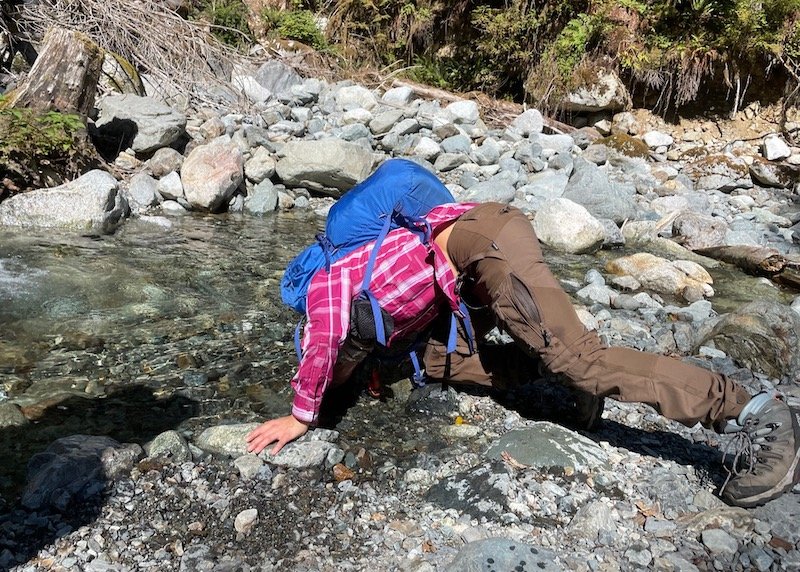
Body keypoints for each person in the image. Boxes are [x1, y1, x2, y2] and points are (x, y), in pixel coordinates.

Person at [246, 200, 800, 508]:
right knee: (435, 365)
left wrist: (301, 416)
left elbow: (323, 345)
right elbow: (366, 338)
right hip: (469, 261)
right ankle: (560, 378)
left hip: (486, 244)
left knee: (578, 356)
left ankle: (752, 411)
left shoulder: (326, 289)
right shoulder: (359, 269)